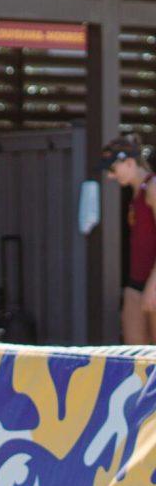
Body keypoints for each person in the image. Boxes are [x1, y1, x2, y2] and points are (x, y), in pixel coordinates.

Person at [101, 136, 156, 344]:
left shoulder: (152, 187)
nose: (109, 176)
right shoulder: (135, 194)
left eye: (112, 169)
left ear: (130, 163)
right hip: (136, 283)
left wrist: (153, 284)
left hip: (153, 281)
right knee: (135, 356)